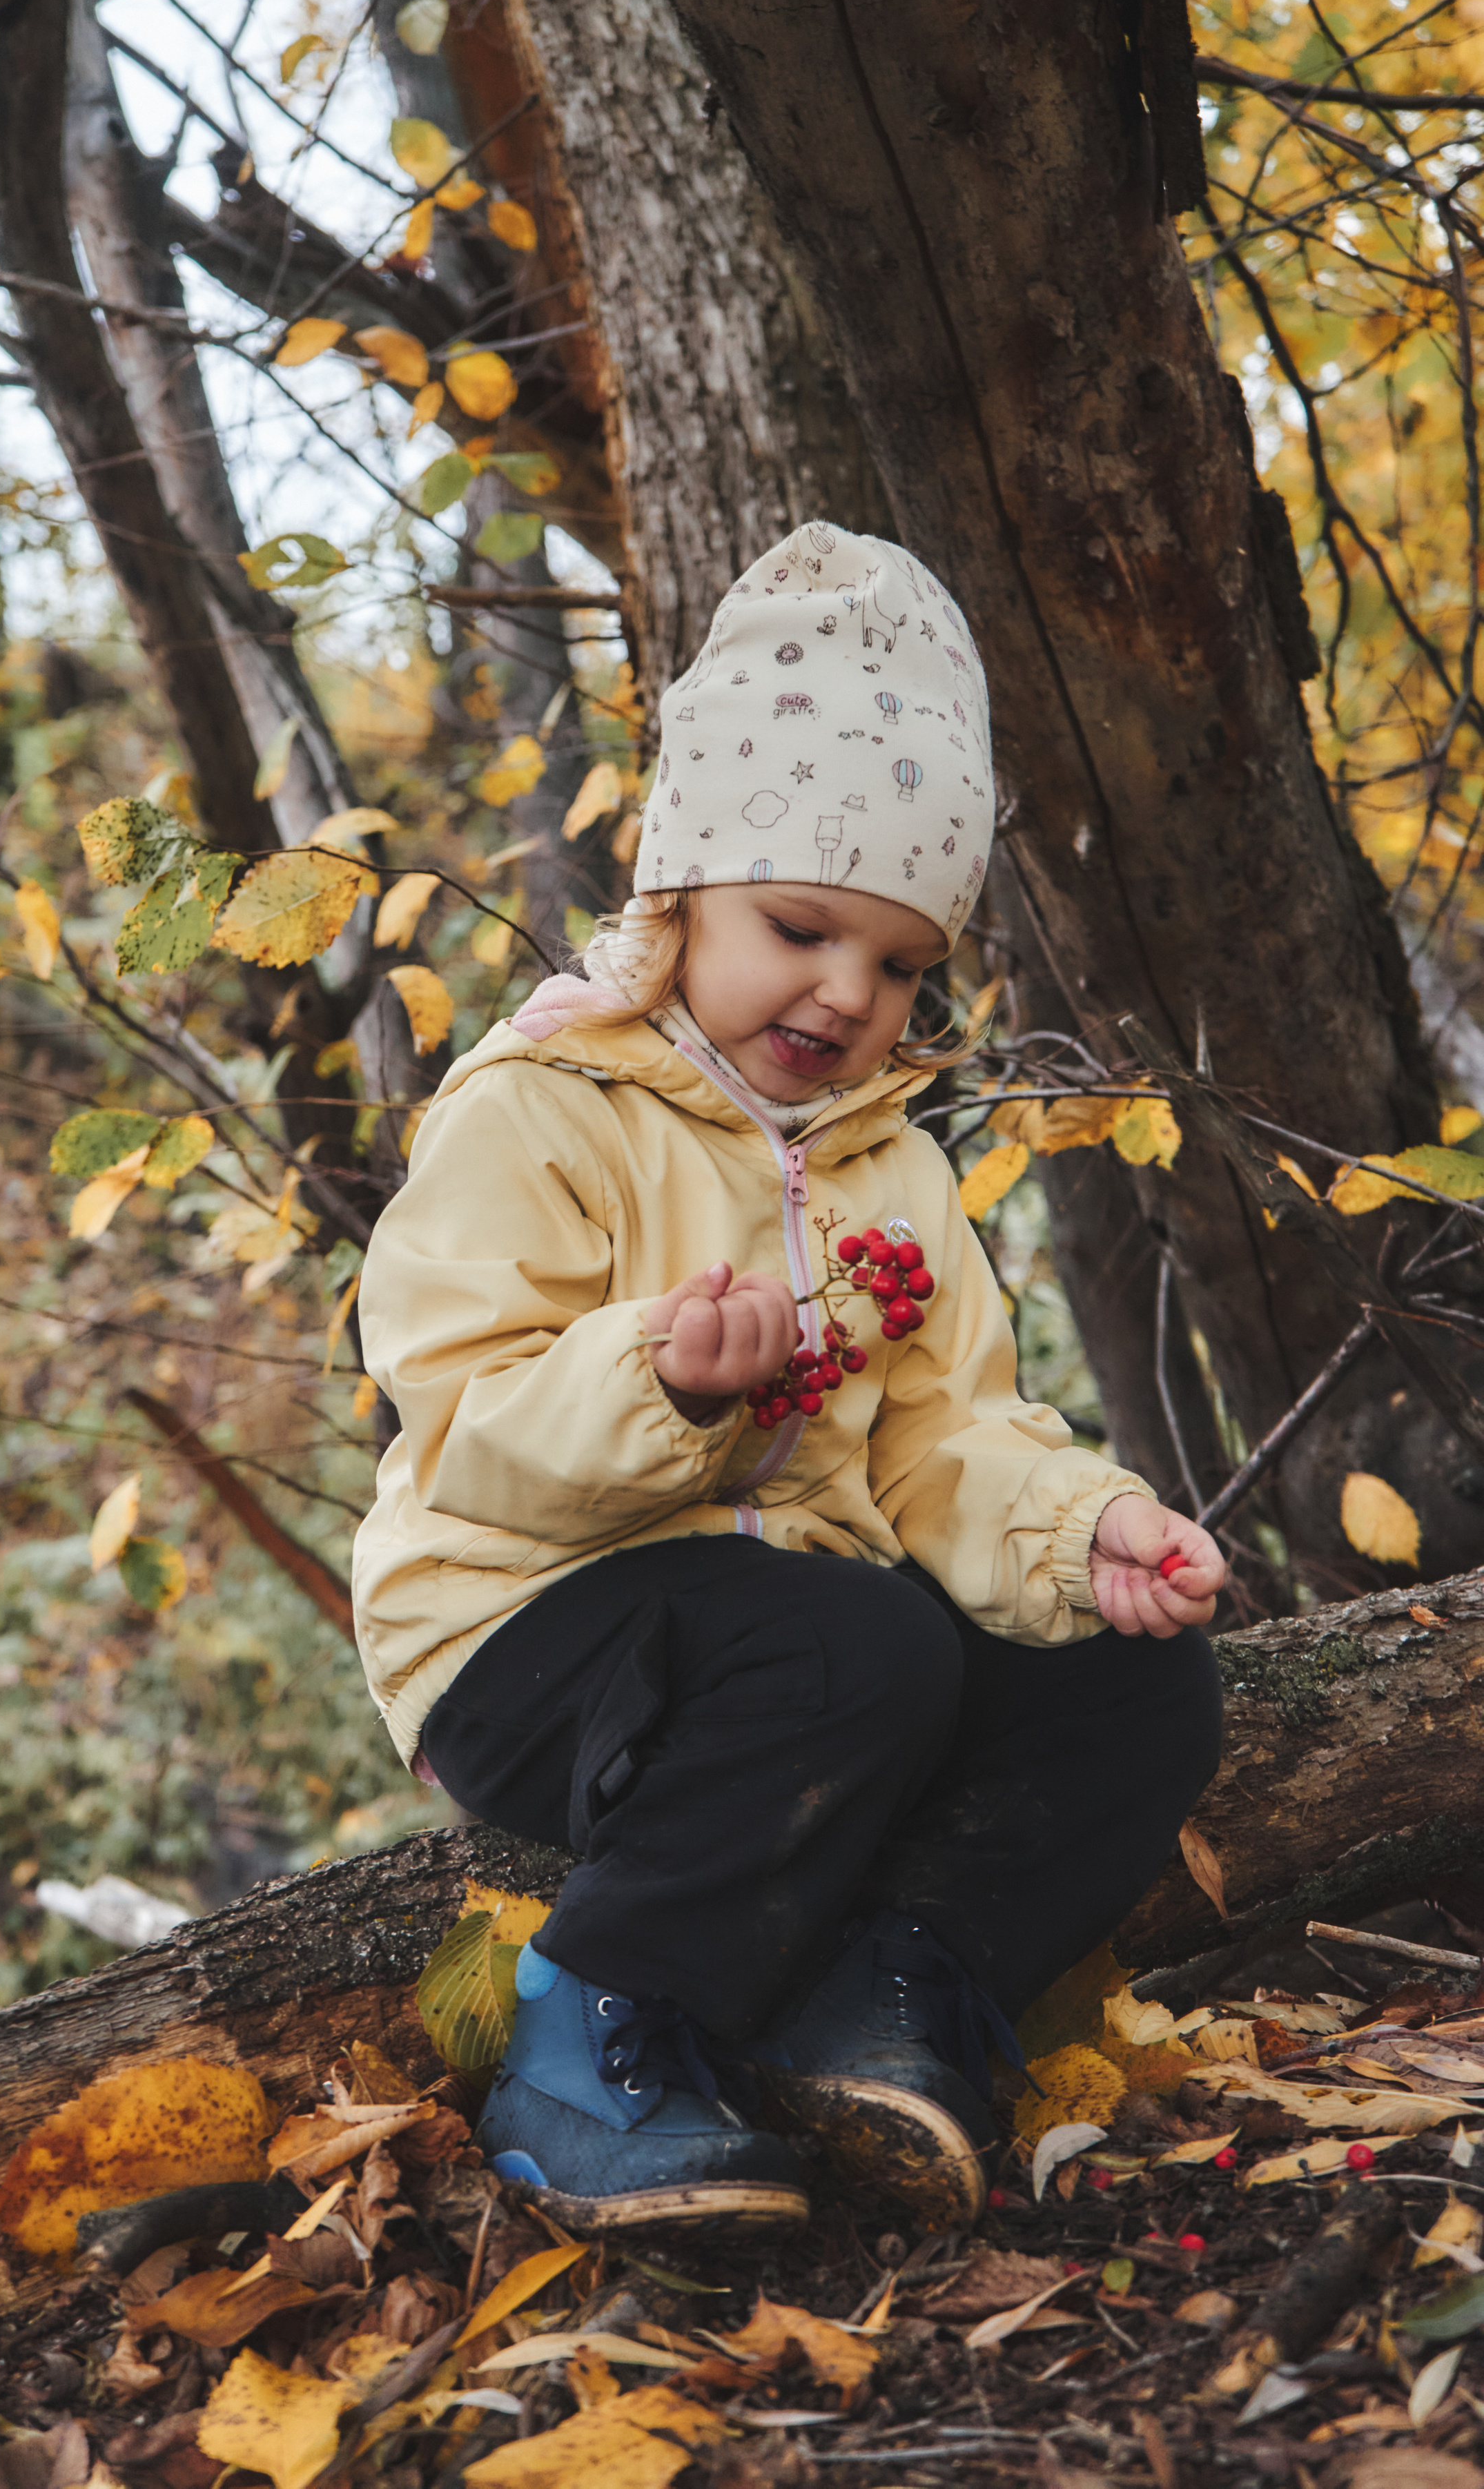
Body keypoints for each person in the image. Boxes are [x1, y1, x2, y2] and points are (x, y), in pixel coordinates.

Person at [352, 521, 1226, 2236]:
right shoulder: (538, 1109)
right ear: (677, 890)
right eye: (800, 927)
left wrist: (1079, 1530)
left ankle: (887, 2000)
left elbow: (942, 1439)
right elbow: (459, 1431)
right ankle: (586, 2026)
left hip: (812, 1650)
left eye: (899, 965)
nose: (846, 993)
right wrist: (657, 1384)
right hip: (527, 1629)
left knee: (1137, 1685)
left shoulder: (890, 1170)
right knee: (856, 1637)